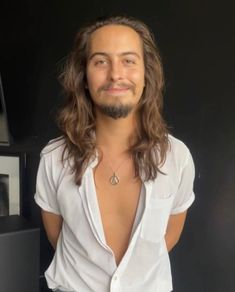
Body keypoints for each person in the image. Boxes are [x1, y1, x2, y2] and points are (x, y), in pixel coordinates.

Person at [34, 15, 195, 292]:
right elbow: (56, 235)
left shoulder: (177, 157)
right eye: (101, 61)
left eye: (129, 60)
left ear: (147, 73)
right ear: (84, 76)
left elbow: (169, 235)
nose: (116, 74)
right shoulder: (53, 158)